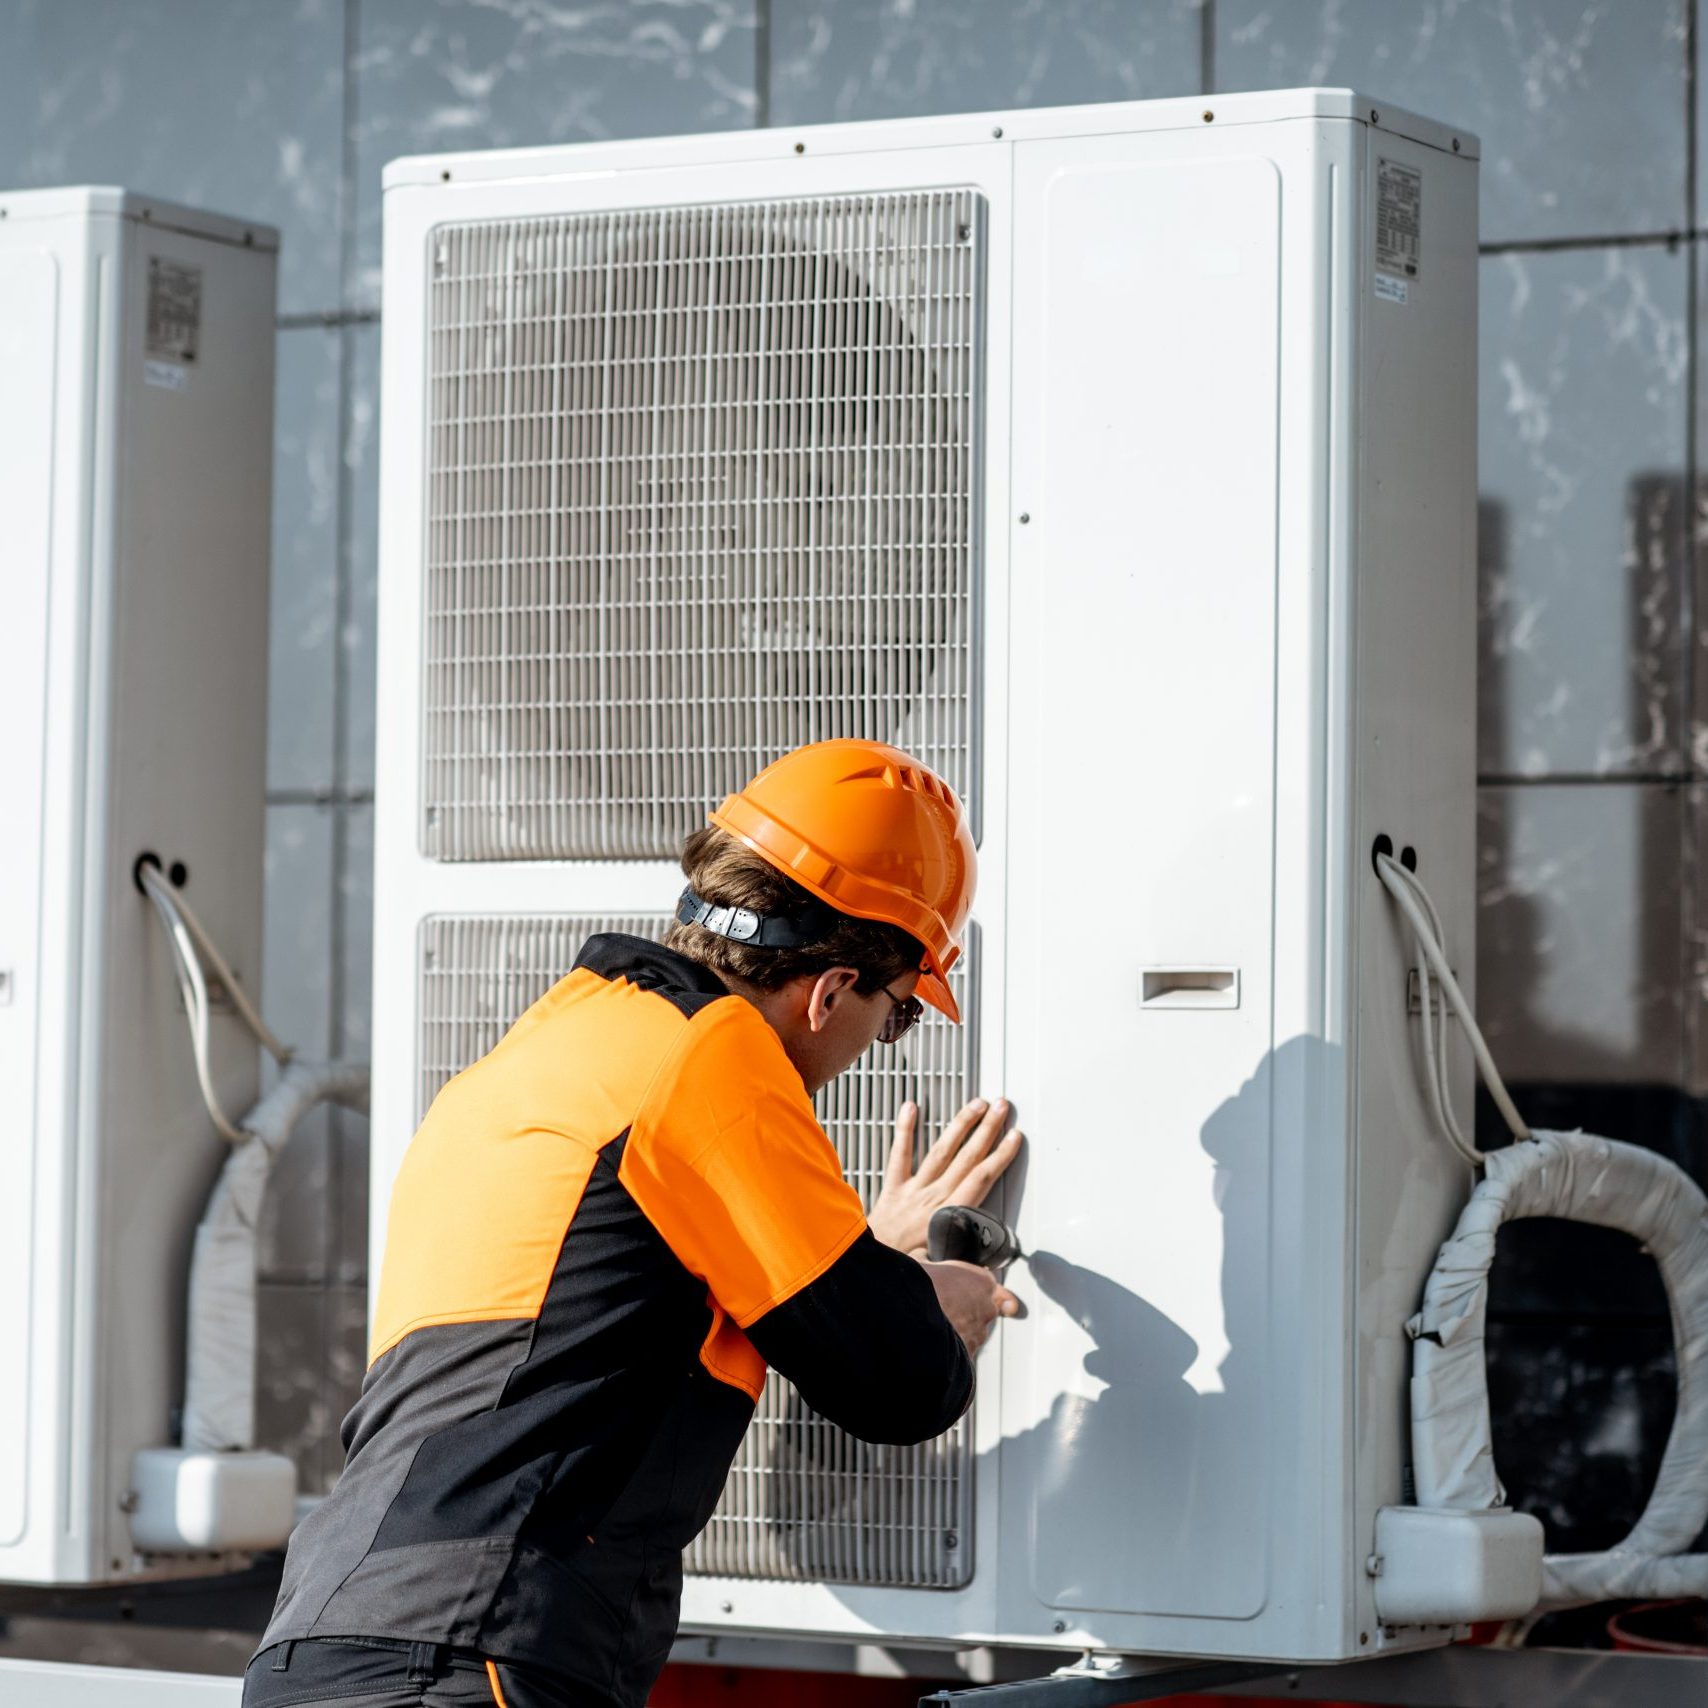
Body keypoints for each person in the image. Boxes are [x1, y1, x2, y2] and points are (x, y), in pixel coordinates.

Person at [243, 738, 1023, 1708]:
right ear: (830, 991)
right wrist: (931, 1295)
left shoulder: (540, 1055)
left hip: (318, 1648)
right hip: (467, 1657)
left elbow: (601, 1313)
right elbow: (901, 1381)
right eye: (899, 1013)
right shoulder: (713, 1053)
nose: (881, 1043)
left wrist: (871, 1263)